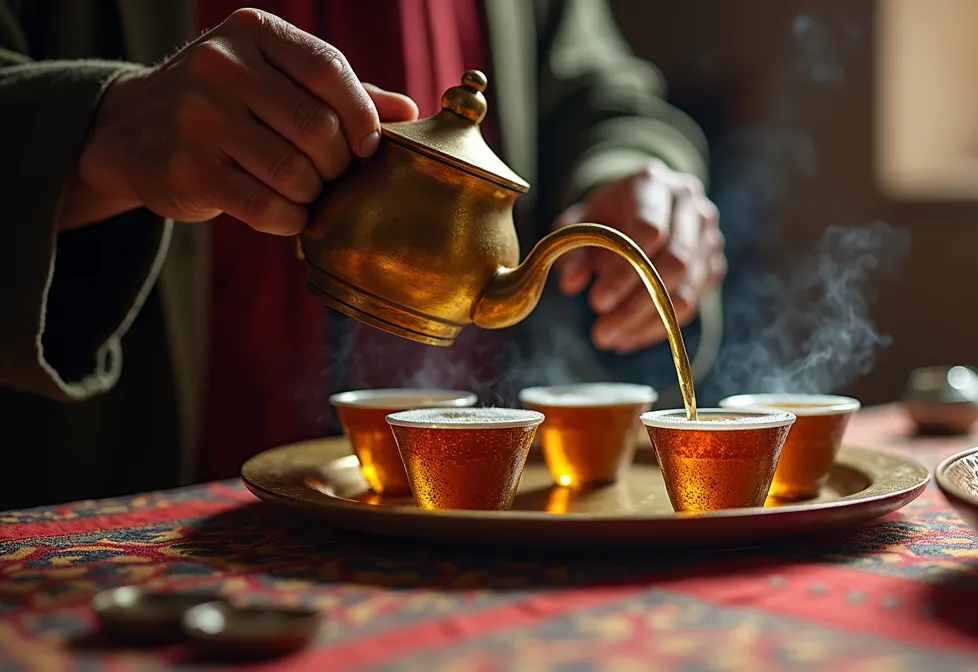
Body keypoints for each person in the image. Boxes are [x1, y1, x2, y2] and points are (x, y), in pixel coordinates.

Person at [0, 1, 726, 510]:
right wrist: (105, 126)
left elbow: (601, 93)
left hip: (466, 529)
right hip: (106, 511)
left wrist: (640, 172)